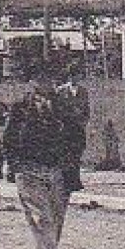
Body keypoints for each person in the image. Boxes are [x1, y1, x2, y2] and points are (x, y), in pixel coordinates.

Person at [4, 63, 72, 249]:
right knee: (41, 218)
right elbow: (9, 137)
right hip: (29, 167)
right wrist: (12, 163)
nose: (44, 83)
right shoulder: (21, 108)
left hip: (58, 169)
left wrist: (72, 163)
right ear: (31, 82)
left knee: (56, 218)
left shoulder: (64, 106)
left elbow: (77, 136)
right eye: (39, 78)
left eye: (49, 78)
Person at [55, 64, 90, 192]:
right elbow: (57, 109)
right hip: (65, 127)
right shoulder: (60, 91)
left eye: (77, 75)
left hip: (78, 127)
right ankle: (66, 180)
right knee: (66, 154)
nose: (75, 78)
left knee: (77, 153)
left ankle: (76, 179)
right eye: (72, 76)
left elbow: (86, 109)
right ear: (69, 77)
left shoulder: (83, 91)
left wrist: (83, 121)